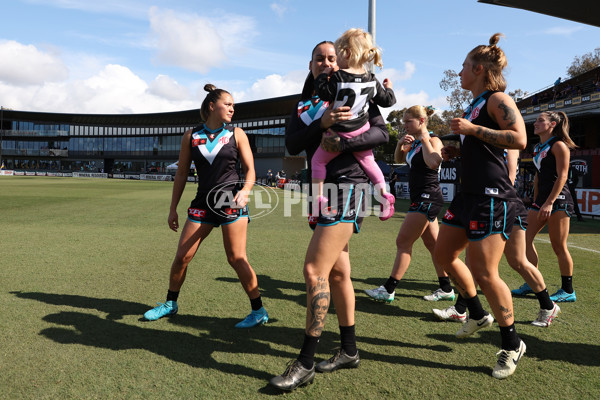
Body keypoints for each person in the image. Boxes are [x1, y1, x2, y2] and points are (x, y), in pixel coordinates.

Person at [269, 40, 389, 391]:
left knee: (313, 271)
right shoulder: (305, 105)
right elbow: (292, 144)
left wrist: (344, 143)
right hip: (321, 192)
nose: (326, 63)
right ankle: (349, 351)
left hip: (348, 187)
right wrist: (320, 123)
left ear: (341, 62)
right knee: (338, 274)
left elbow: (381, 131)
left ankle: (305, 362)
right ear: (310, 64)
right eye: (319, 58)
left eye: (332, 58)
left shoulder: (354, 91)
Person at [432, 33, 527, 379]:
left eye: (463, 67)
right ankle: (475, 313)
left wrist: (472, 131)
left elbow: (519, 138)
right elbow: (481, 145)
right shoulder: (471, 105)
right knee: (443, 256)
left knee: (486, 273)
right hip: (467, 195)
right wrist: (459, 148)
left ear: (478, 68)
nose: (458, 72)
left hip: (492, 196)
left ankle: (512, 343)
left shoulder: (497, 99)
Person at [143, 84, 268, 329]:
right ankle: (171, 304)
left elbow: (251, 170)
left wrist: (245, 191)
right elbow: (181, 174)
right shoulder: (191, 136)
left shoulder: (237, 134)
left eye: (233, 105)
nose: (233, 109)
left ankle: (258, 310)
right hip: (202, 203)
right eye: (228, 104)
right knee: (182, 257)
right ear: (212, 106)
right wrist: (172, 209)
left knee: (236, 258)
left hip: (229, 201)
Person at [434, 149, 560, 327]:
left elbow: (507, 178)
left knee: (517, 261)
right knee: (475, 258)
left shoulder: (509, 143)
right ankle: (461, 309)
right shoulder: (490, 139)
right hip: (488, 203)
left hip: (503, 204)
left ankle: (548, 306)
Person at [365, 105, 455, 303]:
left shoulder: (433, 140)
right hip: (421, 197)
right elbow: (399, 159)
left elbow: (434, 162)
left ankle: (388, 289)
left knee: (403, 242)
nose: (404, 125)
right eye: (404, 121)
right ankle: (446, 288)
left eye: (408, 121)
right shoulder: (413, 144)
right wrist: (399, 145)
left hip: (428, 197)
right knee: (434, 246)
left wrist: (423, 140)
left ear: (421, 121)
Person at [312, 28, 397, 221]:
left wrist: (321, 77)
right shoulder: (372, 80)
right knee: (369, 162)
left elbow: (324, 94)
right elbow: (388, 101)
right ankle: (384, 193)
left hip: (339, 132)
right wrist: (389, 88)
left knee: (318, 161)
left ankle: (318, 198)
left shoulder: (338, 77)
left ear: (347, 53)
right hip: (361, 129)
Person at [513, 111, 577, 303]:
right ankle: (532, 283)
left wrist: (549, 202)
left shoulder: (559, 146)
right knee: (524, 240)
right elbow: (539, 176)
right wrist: (535, 200)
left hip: (559, 201)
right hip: (540, 202)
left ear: (553, 124)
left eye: (541, 120)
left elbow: (563, 176)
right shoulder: (538, 147)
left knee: (558, 246)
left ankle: (568, 290)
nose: (535, 123)